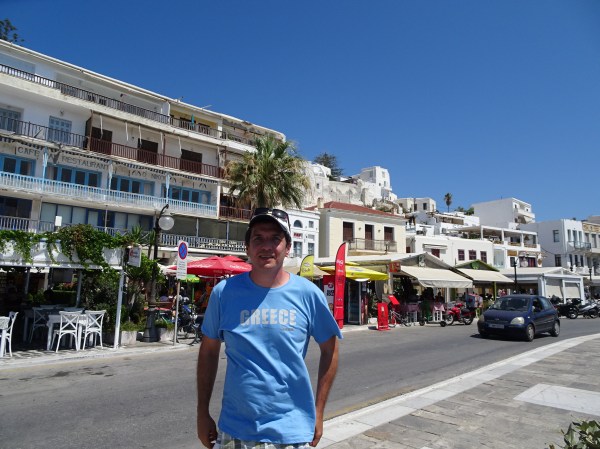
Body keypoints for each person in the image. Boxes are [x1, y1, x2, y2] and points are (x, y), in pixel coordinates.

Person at [196, 207, 342, 449]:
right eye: (258, 238)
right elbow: (209, 352)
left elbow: (331, 349)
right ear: (247, 247)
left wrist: (318, 411)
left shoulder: (308, 294)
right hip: (235, 428)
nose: (266, 246)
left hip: (291, 432)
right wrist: (202, 412)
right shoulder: (224, 293)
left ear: (288, 247)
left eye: (275, 238)